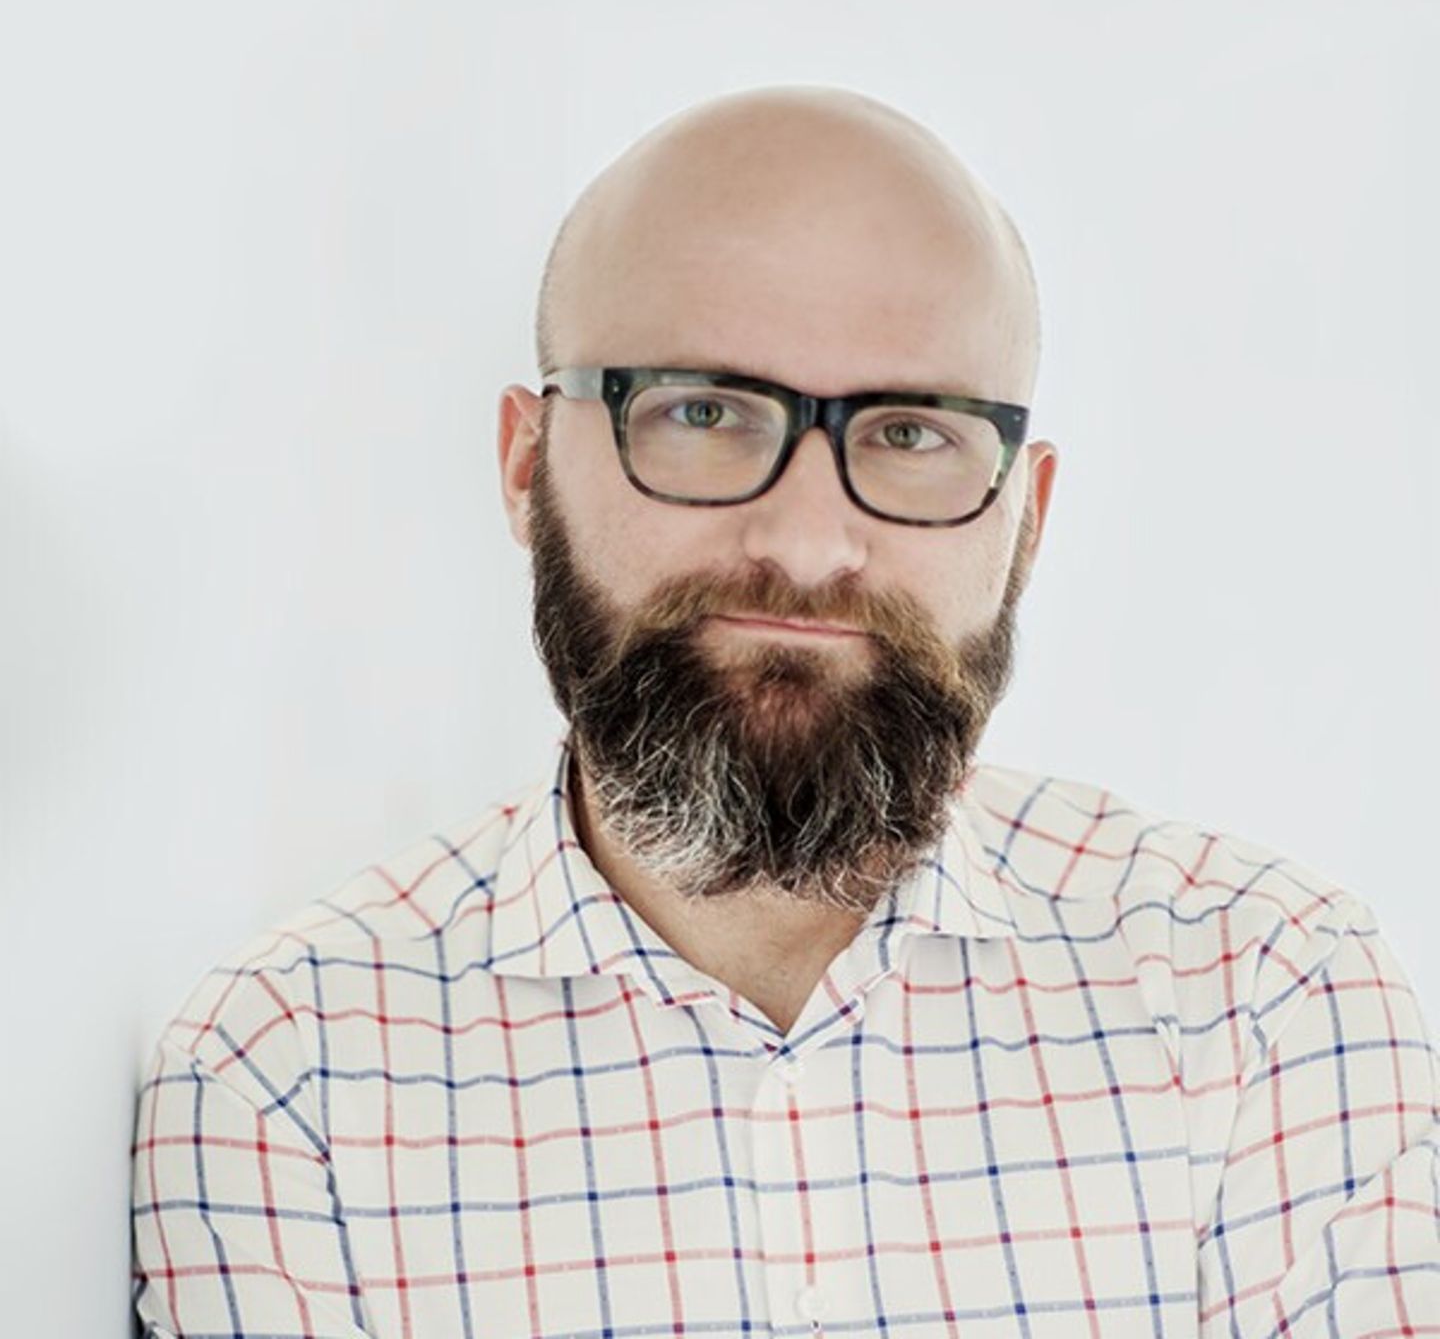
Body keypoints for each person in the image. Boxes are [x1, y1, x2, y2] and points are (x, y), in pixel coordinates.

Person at [131, 86, 1440, 1338]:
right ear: (528, 468)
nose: (810, 542)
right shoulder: (281, 1077)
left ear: (1026, 519)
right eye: (701, 412)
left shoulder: (1269, 996)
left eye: (912, 432)